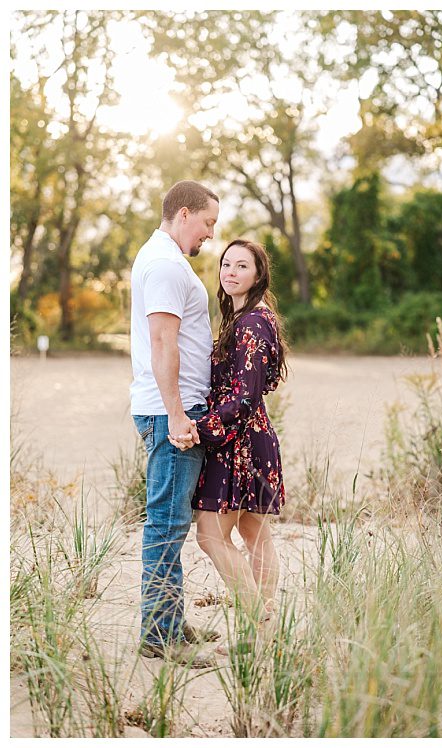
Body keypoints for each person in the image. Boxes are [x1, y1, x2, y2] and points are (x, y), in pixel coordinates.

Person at [170, 238, 288, 651]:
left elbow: (245, 396)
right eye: (226, 264)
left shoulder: (254, 323)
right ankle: (263, 634)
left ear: (258, 275)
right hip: (249, 436)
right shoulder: (242, 318)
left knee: (210, 536)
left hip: (240, 441)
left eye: (242, 266)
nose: (231, 271)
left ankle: (261, 625)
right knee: (255, 533)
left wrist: (199, 428)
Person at [130, 180, 221, 668]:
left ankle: (169, 620)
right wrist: (177, 414)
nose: (210, 233)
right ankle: (159, 636)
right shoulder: (165, 264)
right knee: (166, 524)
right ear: (184, 214)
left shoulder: (162, 256)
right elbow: (163, 342)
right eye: (208, 222)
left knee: (173, 522)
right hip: (172, 409)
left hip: (173, 406)